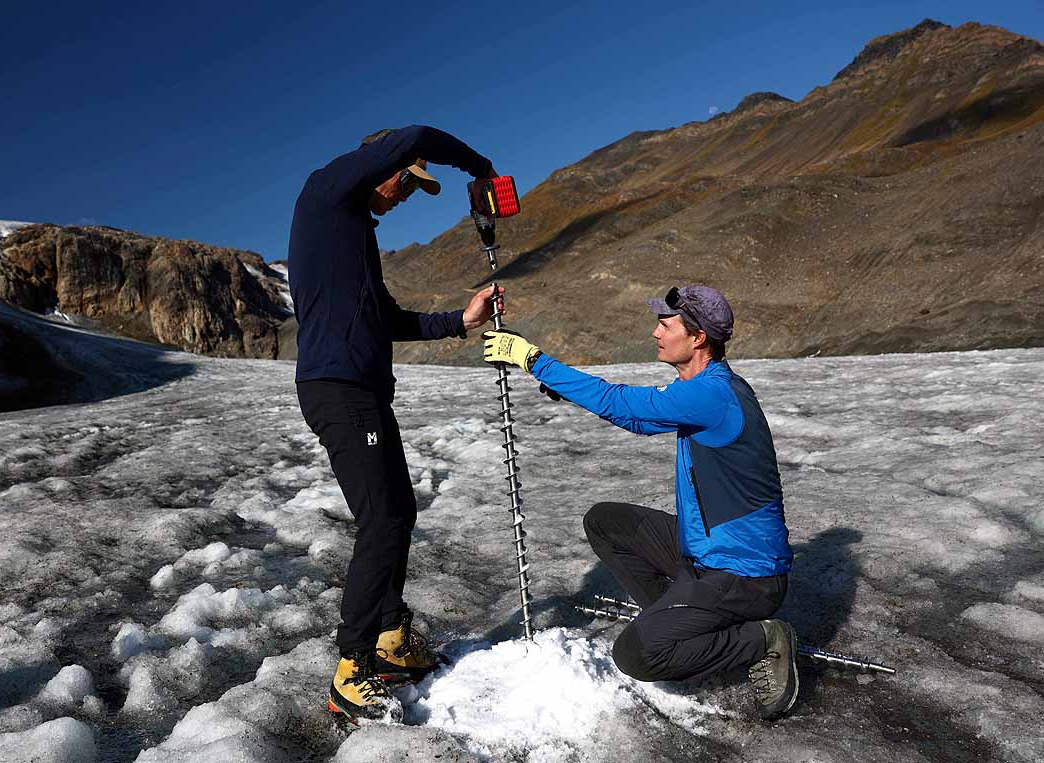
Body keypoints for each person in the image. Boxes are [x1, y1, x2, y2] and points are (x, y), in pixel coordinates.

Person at [481, 285, 800, 720]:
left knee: (636, 654)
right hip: (702, 554)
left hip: (743, 575)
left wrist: (533, 359)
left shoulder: (713, 394)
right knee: (606, 522)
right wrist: (571, 391)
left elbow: (622, 402)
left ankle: (762, 639)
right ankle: (680, 620)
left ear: (698, 338)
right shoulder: (704, 388)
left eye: (665, 325)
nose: (655, 333)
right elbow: (634, 417)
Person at [289, 125, 503, 722]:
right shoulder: (326, 197)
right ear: (379, 164)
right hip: (339, 391)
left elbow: (387, 320)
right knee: (382, 520)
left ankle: (388, 638)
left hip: (362, 392)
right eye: (408, 179)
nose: (408, 193)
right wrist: (477, 165)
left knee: (397, 513)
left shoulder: (353, 239)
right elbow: (413, 134)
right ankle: (351, 668)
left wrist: (462, 319)